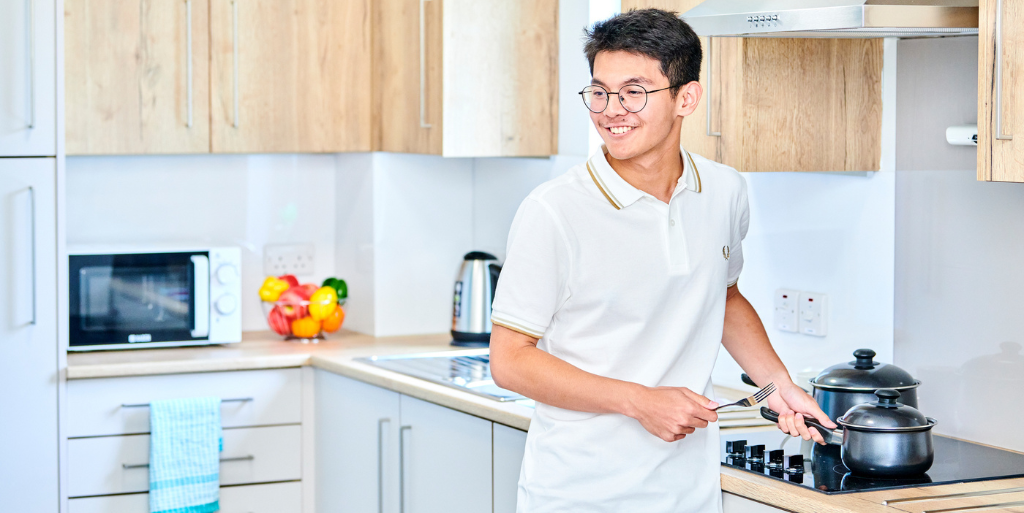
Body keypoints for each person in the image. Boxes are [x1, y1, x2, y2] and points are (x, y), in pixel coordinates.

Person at [489, 8, 836, 513]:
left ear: (686, 98)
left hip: (686, 491)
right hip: (579, 492)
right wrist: (639, 400)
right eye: (600, 91)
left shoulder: (724, 190)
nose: (611, 110)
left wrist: (777, 389)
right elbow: (509, 359)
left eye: (633, 91)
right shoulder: (553, 211)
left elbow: (724, 295)